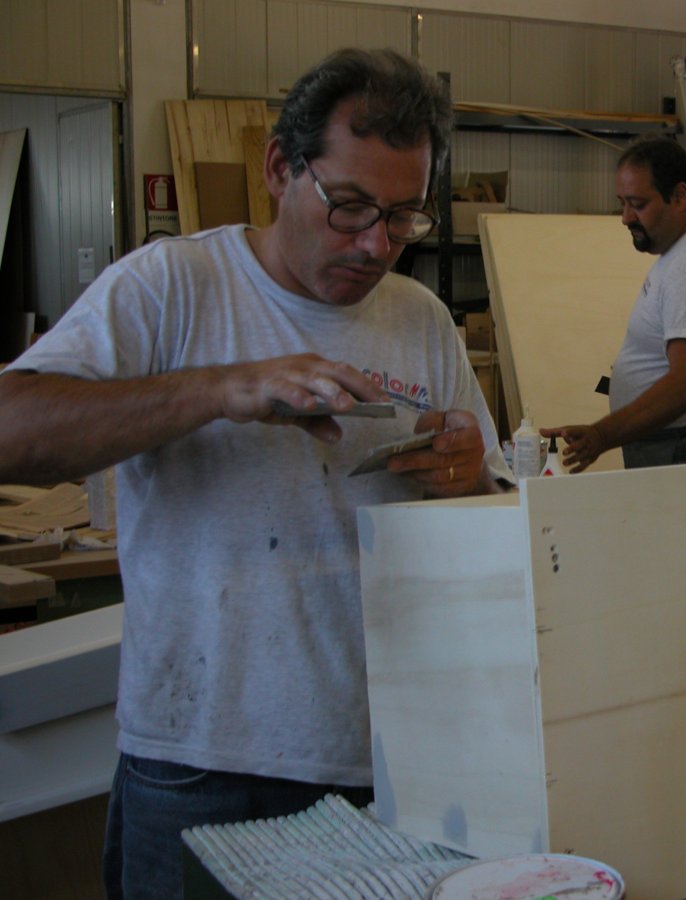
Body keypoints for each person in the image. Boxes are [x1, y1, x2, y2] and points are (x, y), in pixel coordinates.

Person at [0, 48, 511, 898]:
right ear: (280, 169)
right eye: (350, 207)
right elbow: (12, 427)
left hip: (384, 761)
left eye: (402, 218)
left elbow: (491, 514)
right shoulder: (172, 287)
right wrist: (220, 388)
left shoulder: (420, 319)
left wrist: (470, 482)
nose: (375, 244)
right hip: (203, 761)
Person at [540, 135, 686, 471]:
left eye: (638, 204)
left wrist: (602, 435)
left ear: (680, 196)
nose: (626, 218)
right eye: (623, 203)